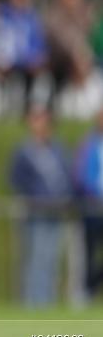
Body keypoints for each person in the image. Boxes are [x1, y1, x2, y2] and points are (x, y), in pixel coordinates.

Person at [8, 106, 73, 307]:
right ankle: (32, 302)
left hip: (55, 211)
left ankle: (48, 301)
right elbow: (15, 179)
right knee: (35, 258)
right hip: (34, 212)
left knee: (51, 258)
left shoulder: (58, 149)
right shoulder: (23, 151)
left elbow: (66, 177)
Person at [74, 108, 103, 297]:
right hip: (93, 208)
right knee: (89, 253)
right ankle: (86, 291)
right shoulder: (88, 144)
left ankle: (92, 285)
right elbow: (80, 176)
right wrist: (91, 194)